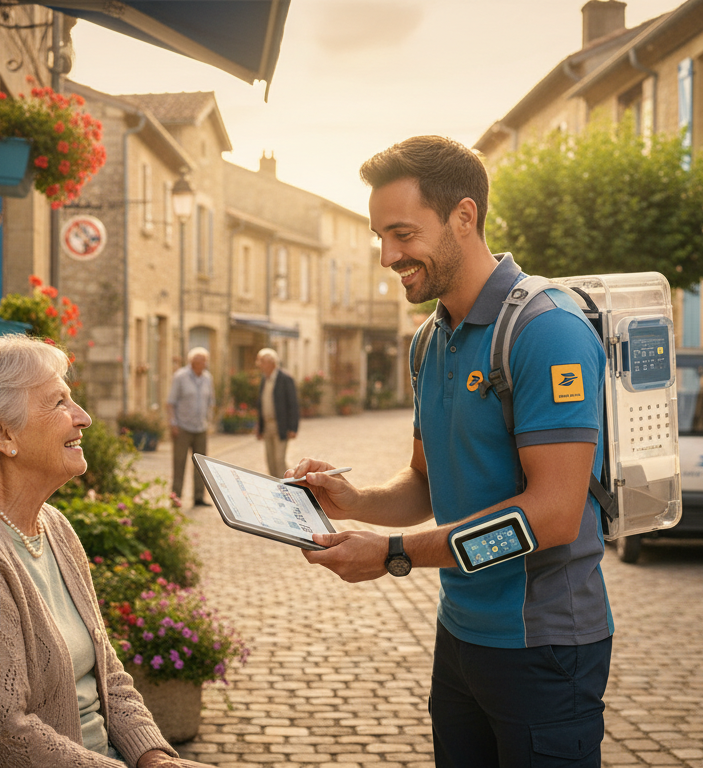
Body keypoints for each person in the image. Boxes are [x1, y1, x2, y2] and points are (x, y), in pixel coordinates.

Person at [292, 136, 612, 767]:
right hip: (460, 638)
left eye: (403, 234)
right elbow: (425, 485)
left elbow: (551, 517)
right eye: (380, 237)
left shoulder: (546, 331)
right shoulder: (428, 344)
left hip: (543, 648)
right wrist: (352, 499)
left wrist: (392, 555)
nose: (387, 255)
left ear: (464, 217)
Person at [0, 335, 210, 767]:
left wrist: (154, 757)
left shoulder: (51, 525)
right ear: (2, 434)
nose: (84, 418)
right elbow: (5, 739)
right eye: (59, 403)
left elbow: (107, 673)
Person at [165, 347, 215, 506]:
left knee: (201, 465)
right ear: (192, 362)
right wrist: (173, 424)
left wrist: (210, 422)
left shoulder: (208, 378)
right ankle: (176, 497)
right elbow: (170, 402)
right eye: (198, 361)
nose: (201, 364)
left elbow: (210, 402)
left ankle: (198, 497)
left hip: (201, 427)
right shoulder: (180, 376)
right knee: (179, 463)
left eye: (204, 361)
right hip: (182, 427)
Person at [255, 347, 299, 478]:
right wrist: (260, 427)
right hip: (267, 426)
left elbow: (293, 404)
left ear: (271, 363)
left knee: (279, 460)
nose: (259, 365)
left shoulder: (285, 379)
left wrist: (293, 427)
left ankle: (287, 488)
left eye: (262, 361)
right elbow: (261, 404)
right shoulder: (264, 379)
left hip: (281, 426)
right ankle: (275, 489)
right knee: (270, 461)